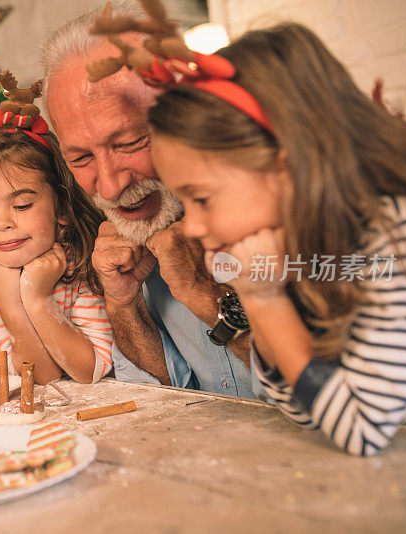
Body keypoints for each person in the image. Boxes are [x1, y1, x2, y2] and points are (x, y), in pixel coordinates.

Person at [146, 23, 406, 455]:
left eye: (202, 198)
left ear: (288, 167)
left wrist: (264, 300)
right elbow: (300, 405)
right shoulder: (309, 247)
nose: (191, 225)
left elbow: (360, 428)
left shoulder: (397, 234)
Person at [40, 5, 256, 397]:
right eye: (81, 158)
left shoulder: (284, 206)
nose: (108, 187)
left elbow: (334, 396)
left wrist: (206, 297)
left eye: (129, 143)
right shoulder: (138, 231)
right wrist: (124, 305)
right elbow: (162, 393)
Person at [0, 104, 112, 385]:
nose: (1, 223)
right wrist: (9, 300)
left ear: (62, 210)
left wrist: (38, 298)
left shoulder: (84, 259)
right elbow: (41, 376)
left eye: (21, 205)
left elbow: (89, 370)